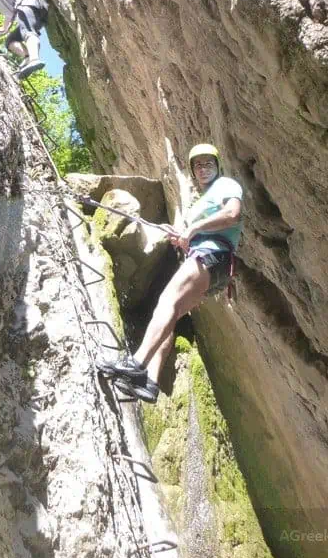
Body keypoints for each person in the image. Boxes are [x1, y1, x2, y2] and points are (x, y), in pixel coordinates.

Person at [97, 143, 242, 403]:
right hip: (211, 261)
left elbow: (232, 214)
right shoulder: (200, 201)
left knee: (166, 302)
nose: (202, 168)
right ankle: (150, 382)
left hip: (212, 254)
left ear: (218, 166)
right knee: (170, 314)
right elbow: (193, 236)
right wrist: (181, 235)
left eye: (208, 163)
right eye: (197, 165)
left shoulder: (226, 185)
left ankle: (137, 363)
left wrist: (193, 229)